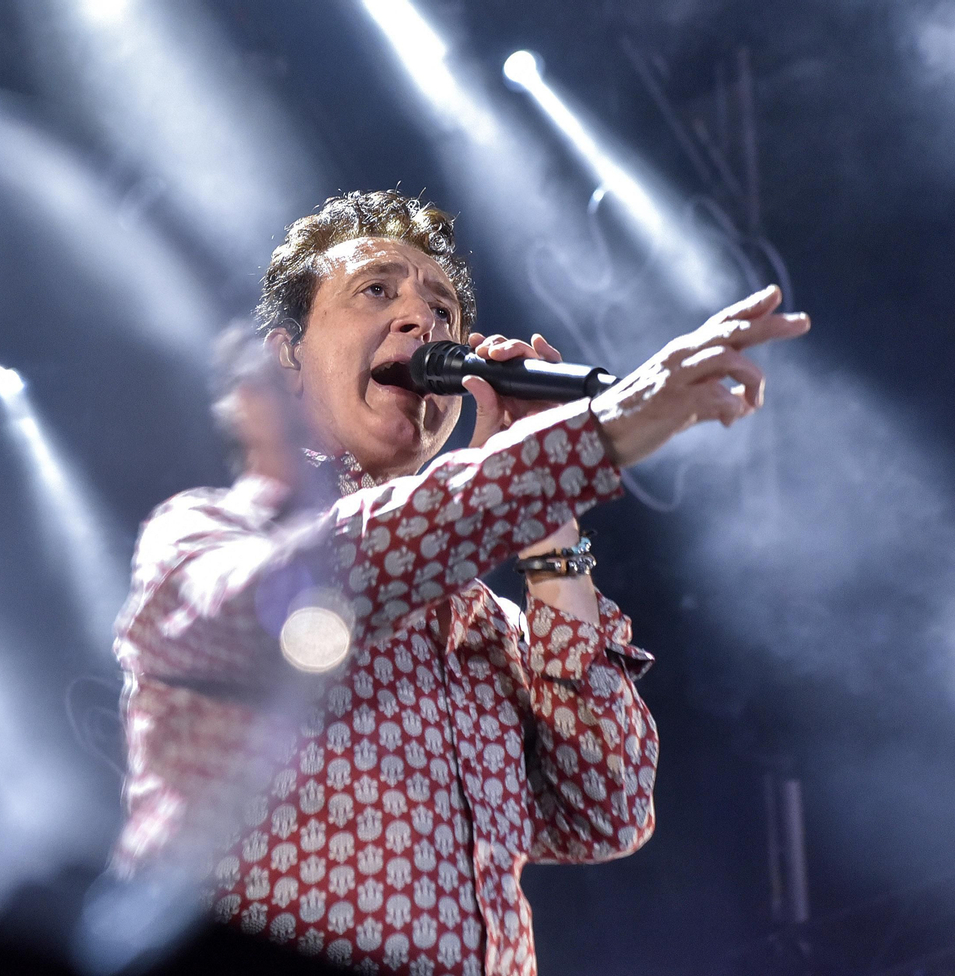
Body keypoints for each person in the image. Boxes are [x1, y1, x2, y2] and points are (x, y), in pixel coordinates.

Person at [110, 190, 810, 975]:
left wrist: (549, 513)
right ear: (288, 357)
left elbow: (606, 811)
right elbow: (313, 582)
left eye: (443, 311)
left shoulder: (487, 628)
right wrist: (591, 437)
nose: (422, 323)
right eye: (377, 290)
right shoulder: (209, 536)